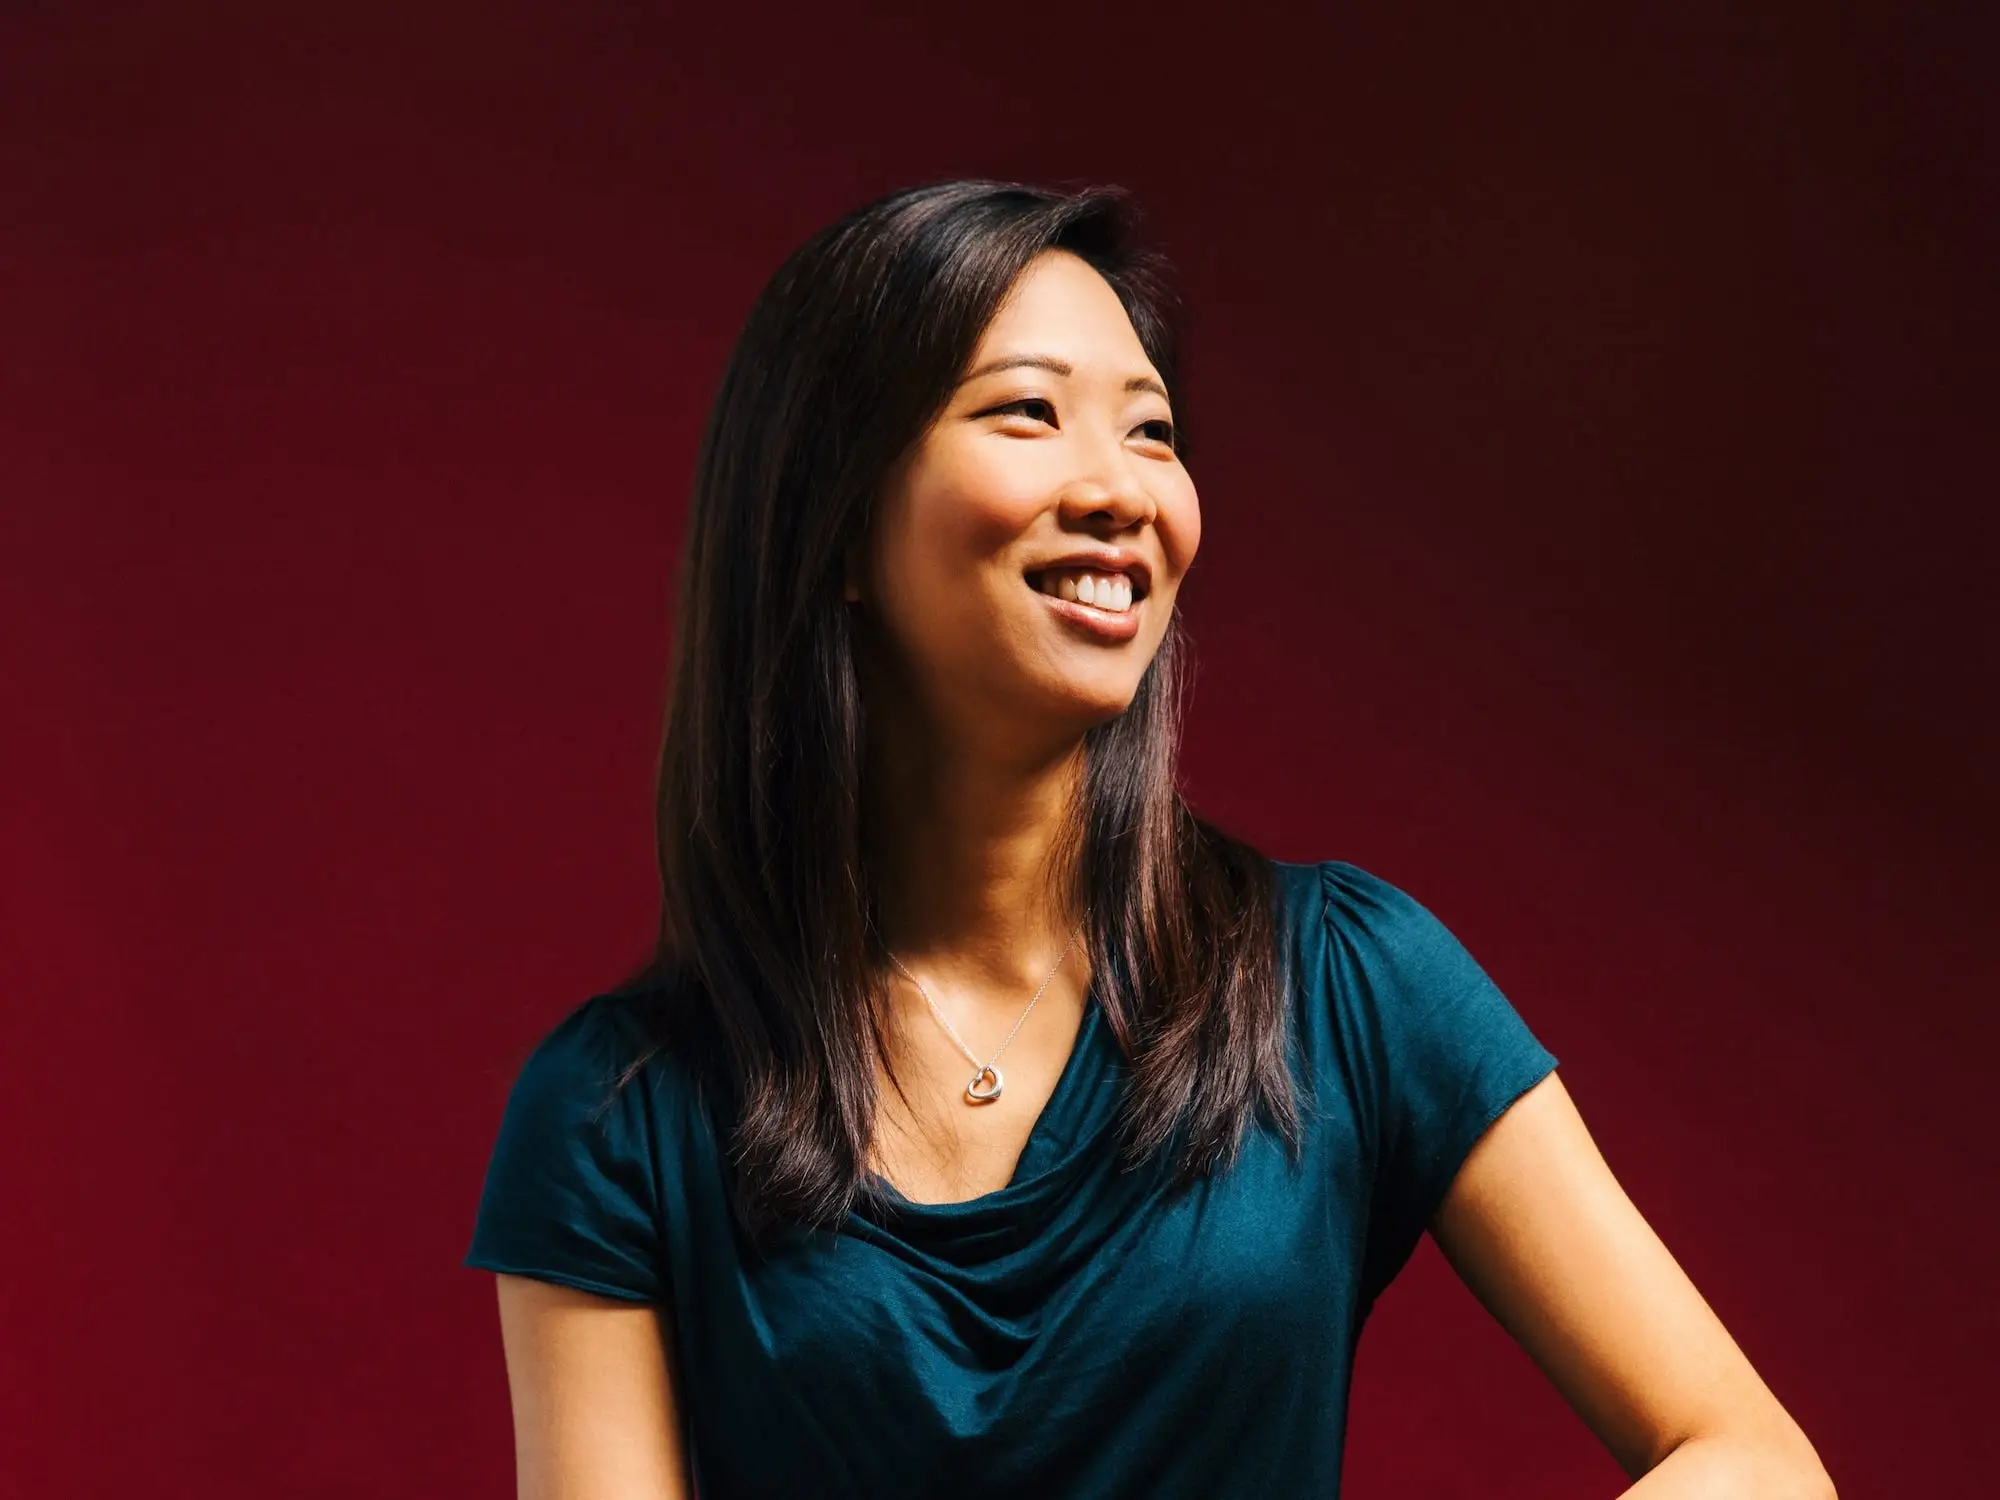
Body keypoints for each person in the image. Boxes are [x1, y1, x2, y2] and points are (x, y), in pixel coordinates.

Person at [463, 180, 1836, 1499]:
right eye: (1028, 415)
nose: (1120, 489)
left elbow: (1753, 1460)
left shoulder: (1351, 982)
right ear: (832, 519)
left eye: (1152, 431)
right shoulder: (619, 1115)